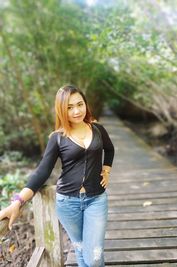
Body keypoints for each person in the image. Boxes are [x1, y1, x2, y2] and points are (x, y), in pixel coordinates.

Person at [0, 84, 115, 267]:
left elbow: (109, 149)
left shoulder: (98, 129)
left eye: (80, 104)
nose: (76, 111)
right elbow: (42, 172)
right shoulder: (57, 137)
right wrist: (17, 201)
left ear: (85, 104)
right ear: (61, 110)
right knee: (80, 248)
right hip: (67, 203)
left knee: (94, 256)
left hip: (96, 199)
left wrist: (106, 170)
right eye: (69, 107)